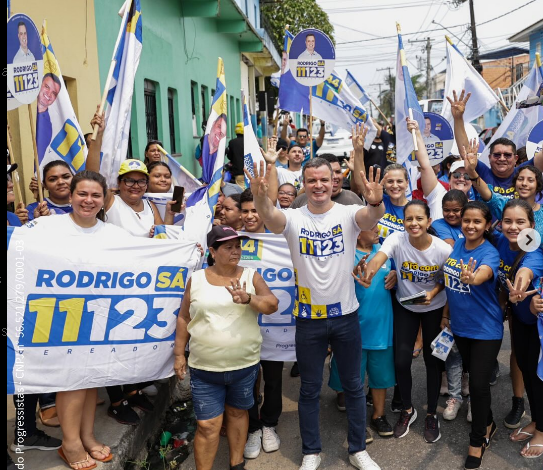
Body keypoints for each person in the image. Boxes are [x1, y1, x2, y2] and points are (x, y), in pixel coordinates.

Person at [247, 157, 384, 470]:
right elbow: (269, 217)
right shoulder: (293, 217)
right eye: (312, 181)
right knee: (309, 389)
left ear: (334, 181)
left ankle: (358, 449)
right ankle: (312, 451)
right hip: (308, 320)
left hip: (346, 317)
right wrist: (258, 196)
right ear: (303, 184)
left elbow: (372, 216)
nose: (319, 186)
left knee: (353, 386)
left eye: (325, 179)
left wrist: (376, 200)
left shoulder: (348, 213)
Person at [24, 171, 124, 469]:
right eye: (82, 194)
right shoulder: (44, 227)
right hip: (58, 317)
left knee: (91, 378)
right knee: (70, 380)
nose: (88, 200)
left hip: (98, 318)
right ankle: (71, 444)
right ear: (71, 196)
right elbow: (16, 250)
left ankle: (88, 436)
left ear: (104, 199)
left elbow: (143, 258)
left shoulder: (114, 234)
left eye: (96, 195)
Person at [173, 225, 278, 470]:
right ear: (212, 251)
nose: (235, 251)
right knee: (207, 426)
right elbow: (184, 317)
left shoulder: (251, 277)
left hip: (244, 367)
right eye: (228, 247)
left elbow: (272, 304)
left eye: (238, 246)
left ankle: (236, 464)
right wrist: (179, 354)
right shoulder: (196, 279)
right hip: (204, 370)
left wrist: (250, 298)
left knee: (238, 415)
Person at [357, 200, 452, 444]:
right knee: (401, 361)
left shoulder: (442, 249)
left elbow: (448, 279)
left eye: (419, 218)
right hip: (405, 306)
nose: (414, 223)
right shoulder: (397, 239)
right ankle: (408, 410)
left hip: (434, 306)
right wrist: (368, 272)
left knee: (433, 362)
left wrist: (435, 293)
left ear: (429, 221)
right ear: (403, 222)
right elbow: (379, 257)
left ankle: (432, 413)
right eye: (409, 218)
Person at [443, 201, 502, 470]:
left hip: (485, 330)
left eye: (477, 222)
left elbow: (483, 275)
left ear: (487, 225)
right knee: (476, 383)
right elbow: (448, 284)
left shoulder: (488, 252)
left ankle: (477, 442)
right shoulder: (457, 245)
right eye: (467, 220)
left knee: (478, 386)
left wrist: (473, 277)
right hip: (461, 328)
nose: (470, 225)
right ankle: (487, 420)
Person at [333, 225, 395, 439]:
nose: (377, 231)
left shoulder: (385, 250)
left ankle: (378, 416)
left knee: (381, 377)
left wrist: (394, 273)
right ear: (357, 233)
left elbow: (396, 273)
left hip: (381, 329)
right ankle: (356, 421)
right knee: (353, 380)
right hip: (353, 330)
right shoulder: (345, 254)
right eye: (372, 228)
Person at [495, 200, 543, 459]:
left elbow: (527, 269)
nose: (513, 227)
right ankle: (536, 420)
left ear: (532, 227)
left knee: (538, 377)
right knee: (525, 367)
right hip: (520, 319)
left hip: (538, 324)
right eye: (508, 221)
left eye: (520, 222)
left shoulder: (533, 249)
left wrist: (519, 287)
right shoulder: (500, 241)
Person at [448, 90, 542, 200]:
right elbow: (466, 153)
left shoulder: (524, 172)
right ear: (489, 157)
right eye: (497, 155)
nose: (502, 158)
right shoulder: (482, 172)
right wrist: (458, 118)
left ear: (516, 158)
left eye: (507, 155)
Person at [290, 154, 363, 208]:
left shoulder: (352, 200)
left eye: (338, 172)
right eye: (330, 173)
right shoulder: (300, 201)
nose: (334, 176)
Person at [36, 74, 62, 162]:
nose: (49, 94)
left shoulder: (48, 127)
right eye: (47, 87)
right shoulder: (30, 110)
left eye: (54, 93)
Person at [227, 123, 245, 188]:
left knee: (241, 190)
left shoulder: (232, 142)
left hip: (239, 171)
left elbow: (229, 156)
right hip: (251, 171)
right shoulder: (249, 141)